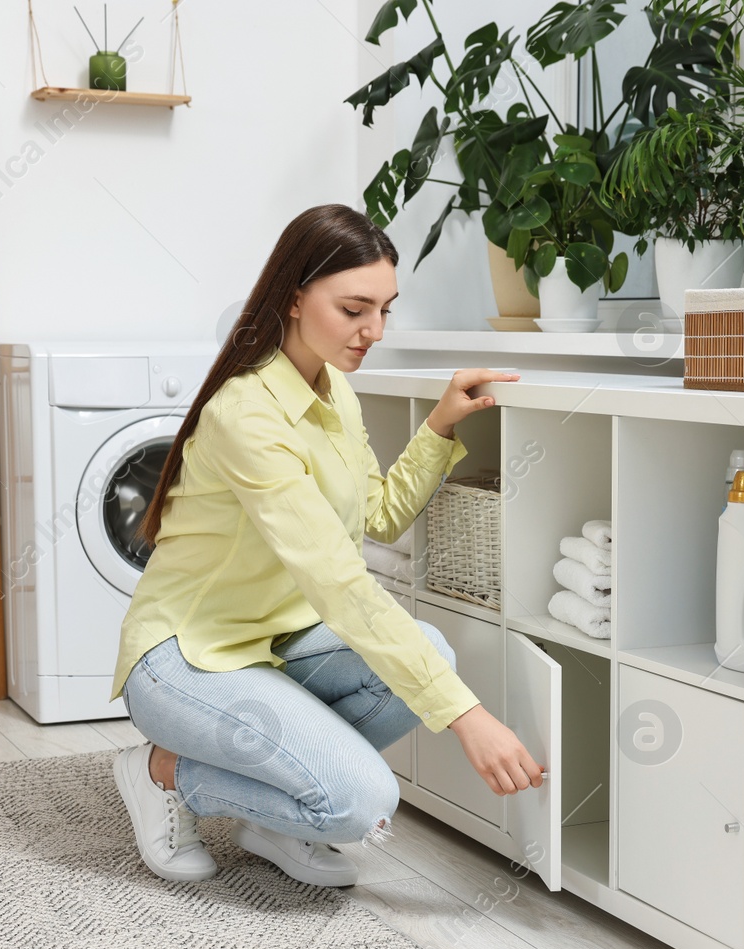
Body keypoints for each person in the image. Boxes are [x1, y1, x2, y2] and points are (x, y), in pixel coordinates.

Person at [109, 203, 545, 889]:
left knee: (431, 651)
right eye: (353, 309)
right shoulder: (246, 414)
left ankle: (273, 820)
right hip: (186, 658)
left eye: (384, 310)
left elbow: (377, 515)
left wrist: (438, 425)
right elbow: (342, 583)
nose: (372, 330)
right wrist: (468, 717)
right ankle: (162, 771)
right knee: (356, 802)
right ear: (294, 297)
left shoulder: (335, 389)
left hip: (278, 647)